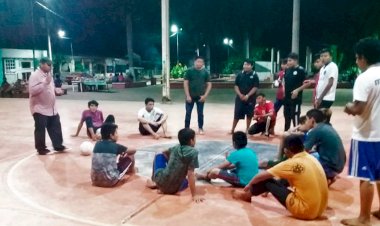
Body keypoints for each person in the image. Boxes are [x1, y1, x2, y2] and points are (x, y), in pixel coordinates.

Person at [232, 134, 328, 220]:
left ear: (286, 150)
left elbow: (260, 176)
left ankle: (245, 195)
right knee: (287, 177)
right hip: (320, 210)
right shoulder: (312, 158)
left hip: (304, 211)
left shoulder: (291, 163)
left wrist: (249, 185)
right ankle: (255, 192)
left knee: (266, 180)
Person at [341, 38, 380, 226]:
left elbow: (358, 108)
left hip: (367, 135)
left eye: (357, 58)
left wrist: (348, 107)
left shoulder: (364, 78)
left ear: (363, 58)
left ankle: (364, 218)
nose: (356, 62)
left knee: (366, 177)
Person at [146, 128, 204, 203]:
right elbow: (190, 174)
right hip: (174, 189)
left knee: (158, 153)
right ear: (191, 140)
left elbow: (164, 152)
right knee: (187, 179)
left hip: (161, 182)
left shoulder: (176, 147)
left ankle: (155, 181)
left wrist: (171, 163)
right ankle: (158, 184)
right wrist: (194, 195)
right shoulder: (193, 152)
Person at [29, 57, 66, 155]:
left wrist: (56, 90)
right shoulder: (35, 75)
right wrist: (45, 83)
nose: (50, 67)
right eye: (48, 65)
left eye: (51, 65)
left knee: (55, 125)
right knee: (40, 128)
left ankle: (58, 145)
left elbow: (50, 87)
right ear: (41, 64)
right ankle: (41, 148)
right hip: (39, 107)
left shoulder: (48, 75)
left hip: (51, 108)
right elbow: (32, 91)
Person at [303, 109, 346, 185]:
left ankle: (325, 176)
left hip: (331, 167)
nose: (305, 123)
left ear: (312, 120)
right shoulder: (327, 127)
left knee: (302, 161)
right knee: (313, 154)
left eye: (306, 120)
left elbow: (302, 152)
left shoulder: (315, 130)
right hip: (339, 165)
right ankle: (328, 176)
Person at [91, 123, 136, 187]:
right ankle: (132, 171)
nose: (117, 135)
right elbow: (134, 150)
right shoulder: (115, 146)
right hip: (110, 181)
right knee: (131, 156)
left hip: (95, 180)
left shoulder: (97, 144)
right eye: (116, 133)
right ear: (111, 135)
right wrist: (123, 153)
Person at [184, 56, 212, 135]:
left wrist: (205, 96)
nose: (199, 63)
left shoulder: (205, 72)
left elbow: (209, 84)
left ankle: (200, 128)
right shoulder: (189, 71)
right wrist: (188, 95)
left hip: (201, 97)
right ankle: (186, 128)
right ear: (194, 62)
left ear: (203, 63)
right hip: (190, 96)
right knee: (188, 112)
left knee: (200, 113)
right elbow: (185, 83)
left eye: (201, 62)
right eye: (198, 62)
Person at [230, 59, 259, 134]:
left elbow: (255, 87)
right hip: (240, 98)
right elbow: (236, 86)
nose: (245, 66)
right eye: (244, 64)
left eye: (248, 65)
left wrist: (248, 95)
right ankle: (232, 129)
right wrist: (240, 95)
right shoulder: (239, 74)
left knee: (249, 114)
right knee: (237, 114)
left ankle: (247, 129)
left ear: (252, 66)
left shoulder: (255, 75)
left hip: (250, 99)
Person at [283, 53, 307, 131]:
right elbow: (285, 81)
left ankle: (297, 133)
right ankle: (286, 132)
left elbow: (307, 83)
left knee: (295, 116)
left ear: (296, 61)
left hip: (296, 99)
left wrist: (297, 90)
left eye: (290, 60)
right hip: (287, 98)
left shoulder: (301, 70)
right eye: (287, 61)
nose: (288, 62)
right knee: (286, 116)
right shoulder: (287, 70)